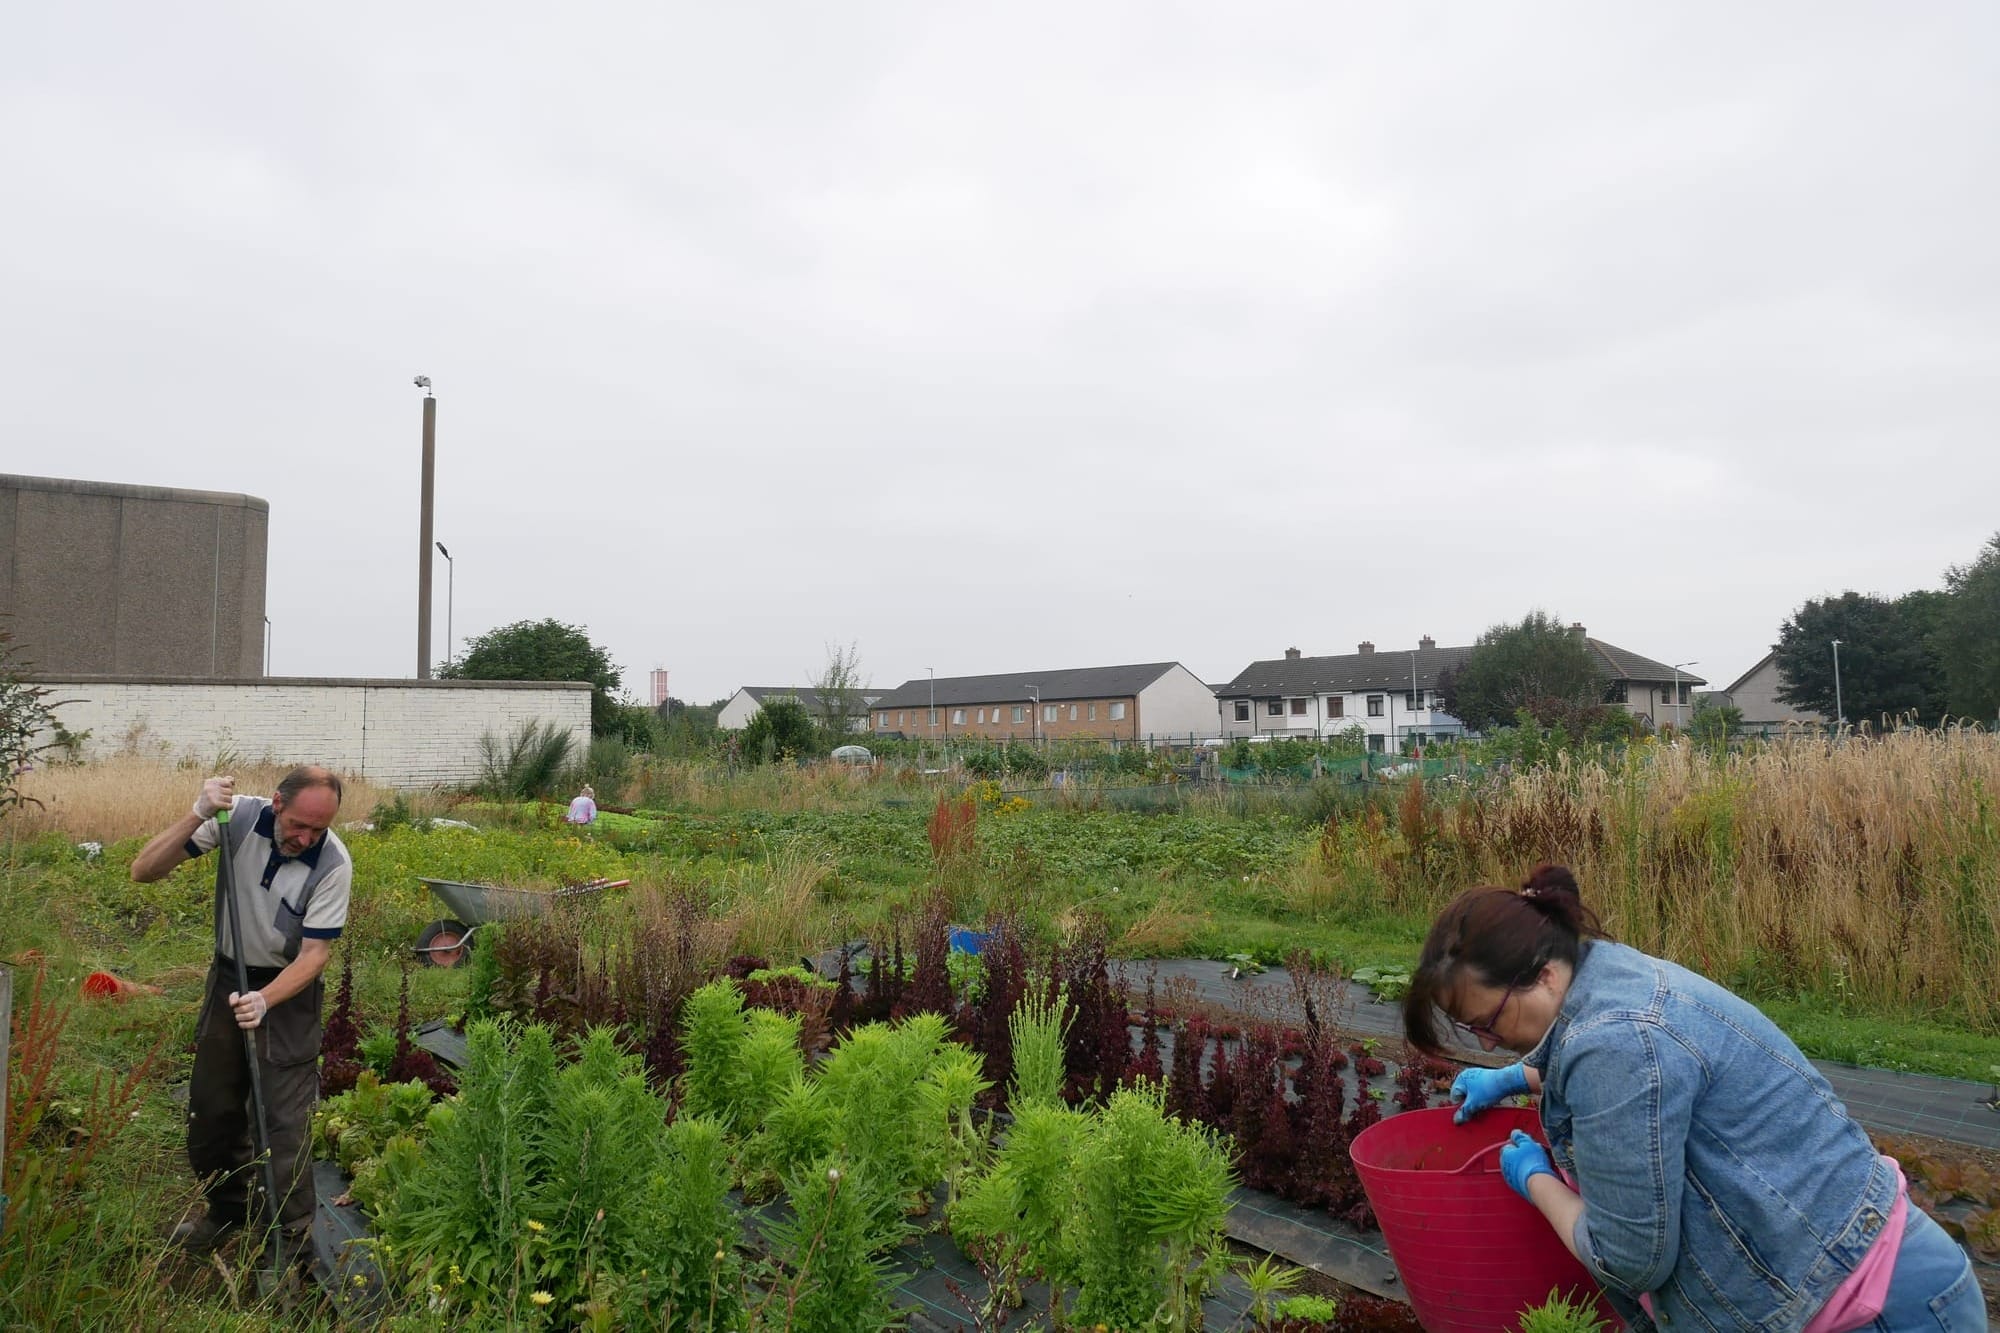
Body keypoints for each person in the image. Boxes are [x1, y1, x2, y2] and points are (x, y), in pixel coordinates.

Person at [1402, 865, 1981, 1332]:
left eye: (1488, 1022)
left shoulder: (1615, 1041)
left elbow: (1628, 1256)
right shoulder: (1605, 972)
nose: (1487, 1042)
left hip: (1869, 1306)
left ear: (1543, 975)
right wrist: (1515, 1077)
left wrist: (1534, 1177)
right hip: (1862, 1270)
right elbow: (1655, 1076)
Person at [131, 766, 352, 1268]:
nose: (306, 837)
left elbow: (315, 956)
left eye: (319, 829)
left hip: (288, 993)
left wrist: (266, 999)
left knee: (284, 1125)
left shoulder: (334, 863)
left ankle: (288, 1248)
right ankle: (228, 1209)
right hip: (229, 980)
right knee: (211, 1110)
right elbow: (143, 871)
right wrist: (199, 813)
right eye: (299, 824)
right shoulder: (237, 819)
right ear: (277, 802)